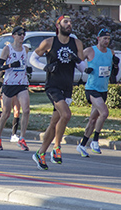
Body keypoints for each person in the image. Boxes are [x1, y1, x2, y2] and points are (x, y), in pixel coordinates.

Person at [29, 15, 86, 170]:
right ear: (58, 25)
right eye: (66, 22)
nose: (69, 24)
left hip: (67, 86)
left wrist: (76, 59)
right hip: (53, 86)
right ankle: (57, 148)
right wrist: (45, 67)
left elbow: (83, 68)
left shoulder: (77, 43)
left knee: (55, 122)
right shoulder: (49, 42)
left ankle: (40, 153)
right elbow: (32, 59)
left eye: (70, 22)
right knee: (66, 115)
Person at [76, 28, 114, 157]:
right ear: (98, 38)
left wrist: (116, 66)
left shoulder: (110, 52)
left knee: (92, 120)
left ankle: (82, 145)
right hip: (91, 89)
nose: (106, 41)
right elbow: (77, 61)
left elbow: (112, 69)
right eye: (104, 38)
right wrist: (85, 69)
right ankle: (95, 141)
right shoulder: (90, 51)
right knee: (104, 113)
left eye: (108, 39)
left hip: (103, 89)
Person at [0, 26, 32, 150]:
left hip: (22, 83)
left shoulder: (25, 49)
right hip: (9, 83)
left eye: (23, 34)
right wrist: (10, 65)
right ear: (13, 36)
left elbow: (24, 64)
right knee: (6, 113)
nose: (22, 36)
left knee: (26, 110)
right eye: (20, 34)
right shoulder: (7, 49)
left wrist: (28, 69)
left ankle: (21, 138)